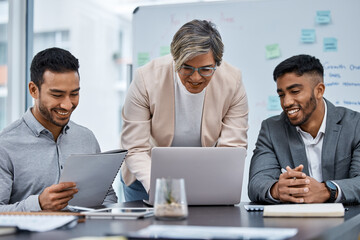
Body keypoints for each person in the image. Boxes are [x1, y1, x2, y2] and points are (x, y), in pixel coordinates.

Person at [120, 19, 249, 201]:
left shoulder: (232, 82)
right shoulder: (146, 79)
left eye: (205, 69)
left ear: (217, 64)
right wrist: (161, 192)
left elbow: (232, 149)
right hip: (145, 174)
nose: (196, 77)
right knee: (149, 227)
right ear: (175, 59)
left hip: (202, 175)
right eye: (186, 68)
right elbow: (135, 148)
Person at [0, 47, 117, 212]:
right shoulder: (5, 144)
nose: (67, 105)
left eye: (74, 94)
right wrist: (39, 205)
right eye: (57, 95)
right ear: (34, 90)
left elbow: (108, 196)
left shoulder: (86, 138)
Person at [248, 54, 360, 204]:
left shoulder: (354, 125)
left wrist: (327, 191)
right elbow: (257, 182)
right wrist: (277, 189)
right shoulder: (271, 129)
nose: (286, 102)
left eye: (294, 92)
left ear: (319, 90)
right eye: (281, 95)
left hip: (346, 223)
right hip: (294, 223)